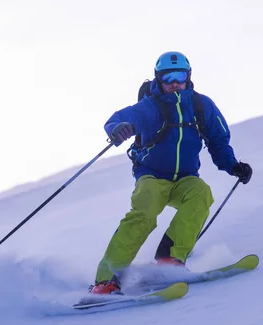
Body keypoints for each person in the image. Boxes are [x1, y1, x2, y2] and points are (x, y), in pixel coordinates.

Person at [91, 51, 252, 295]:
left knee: (201, 194)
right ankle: (107, 280)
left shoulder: (201, 106)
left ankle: (169, 261)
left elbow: (218, 141)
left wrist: (232, 165)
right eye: (168, 78)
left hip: (185, 178)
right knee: (143, 213)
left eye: (180, 76)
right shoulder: (150, 107)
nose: (175, 83)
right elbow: (120, 119)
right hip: (152, 176)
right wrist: (118, 129)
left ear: (189, 77)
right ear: (159, 79)